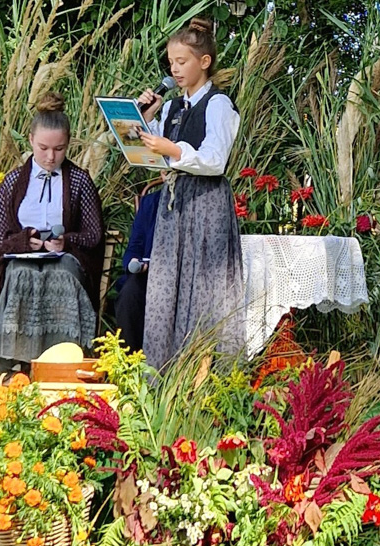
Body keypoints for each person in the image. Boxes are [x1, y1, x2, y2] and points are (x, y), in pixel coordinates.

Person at [136, 17, 243, 369]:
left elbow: (215, 160)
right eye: (171, 62)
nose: (174, 69)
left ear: (205, 61)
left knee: (203, 290)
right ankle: (162, 375)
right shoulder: (170, 107)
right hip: (174, 203)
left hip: (206, 204)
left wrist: (172, 148)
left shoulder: (218, 104)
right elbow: (153, 156)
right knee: (167, 287)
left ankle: (206, 375)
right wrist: (146, 121)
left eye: (182, 61)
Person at [0, 92, 104, 374]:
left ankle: (65, 364)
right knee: (21, 274)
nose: (51, 157)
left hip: (65, 257)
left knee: (61, 275)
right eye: (43, 148)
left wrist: (67, 240)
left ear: (68, 144)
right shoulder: (14, 182)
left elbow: (94, 234)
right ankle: (16, 366)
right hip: (24, 258)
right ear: (30, 141)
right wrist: (23, 241)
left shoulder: (79, 180)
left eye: (59, 149)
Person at [114, 189, 161, 353]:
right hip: (148, 272)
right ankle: (130, 360)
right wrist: (134, 261)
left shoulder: (195, 202)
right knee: (130, 292)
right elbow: (135, 245)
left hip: (180, 274)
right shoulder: (150, 202)